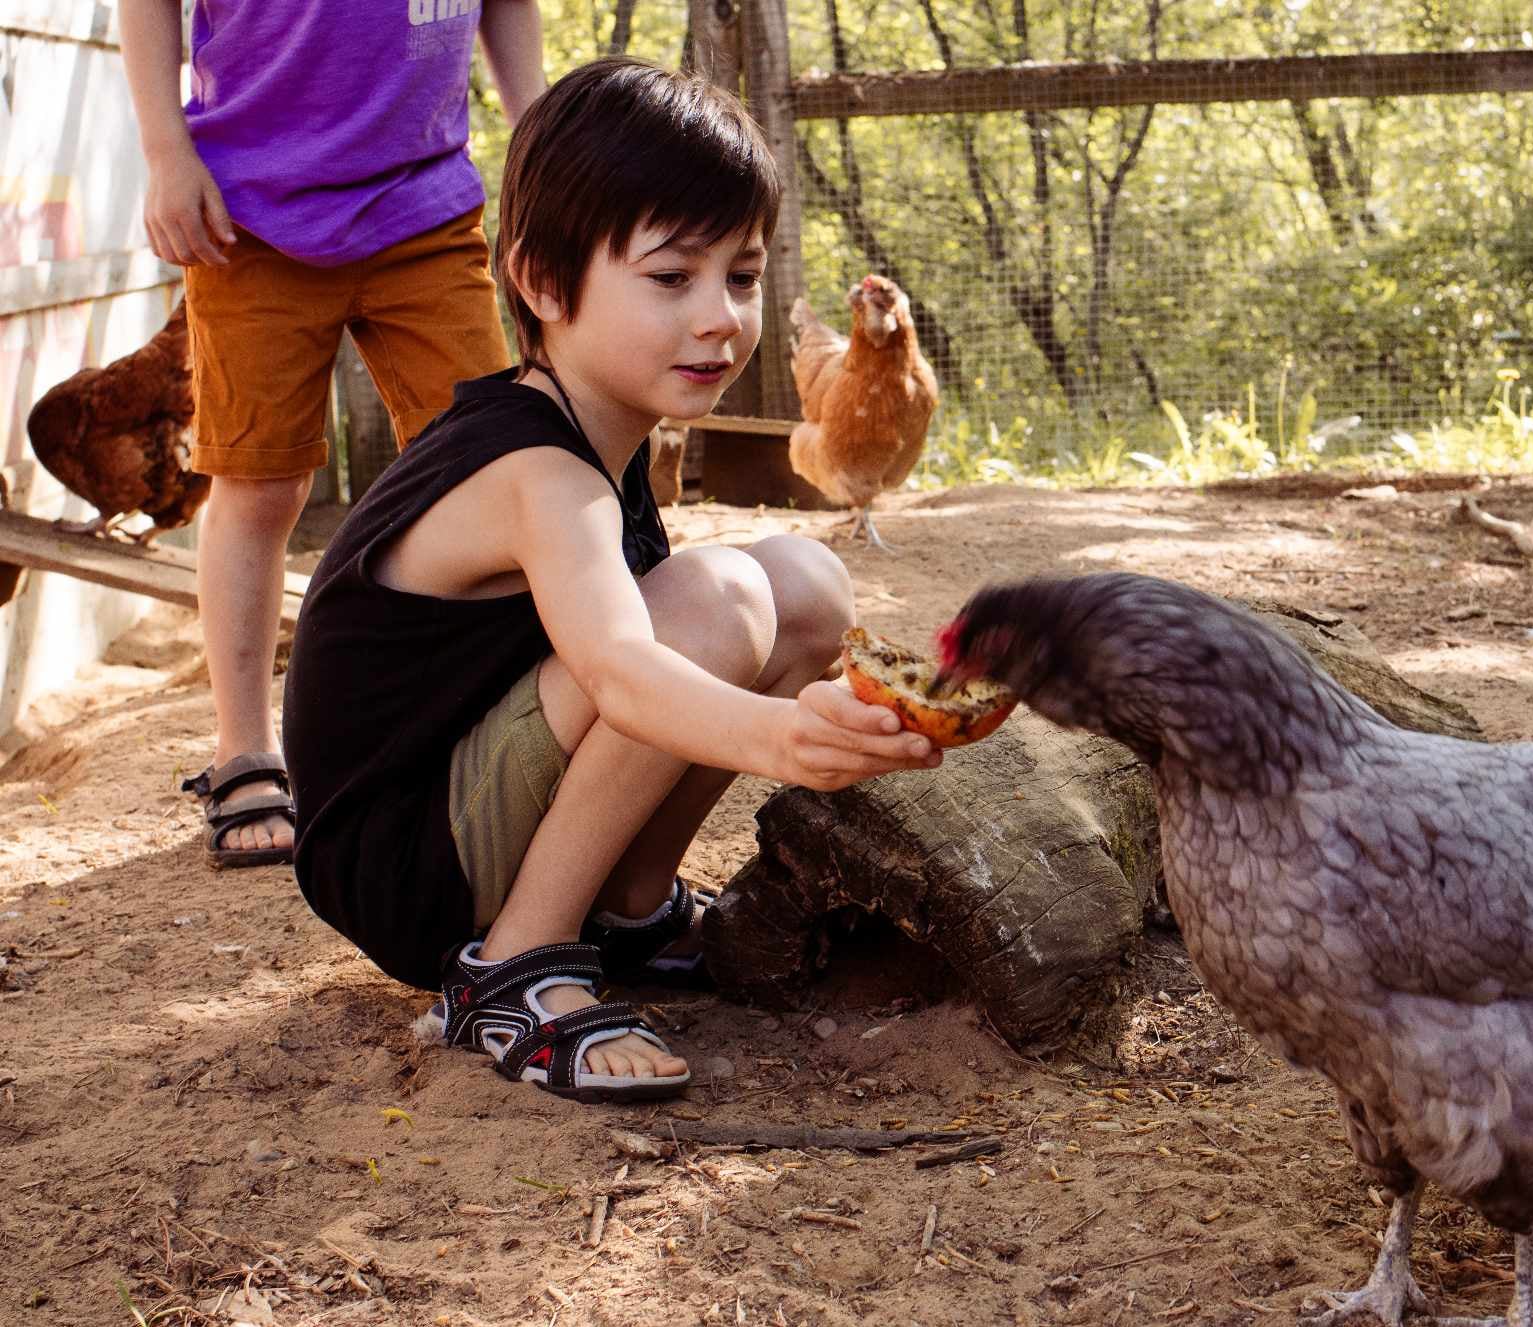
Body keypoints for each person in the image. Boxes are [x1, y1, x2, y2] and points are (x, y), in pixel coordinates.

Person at [282, 58, 943, 1102]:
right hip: (406, 857)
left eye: (740, 273)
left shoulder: (608, 431)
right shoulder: (535, 467)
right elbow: (626, 672)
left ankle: (631, 908)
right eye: (671, 278)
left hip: (466, 803)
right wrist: (785, 740)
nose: (719, 315)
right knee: (718, 600)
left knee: (807, 584)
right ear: (541, 282)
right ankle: (515, 964)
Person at [119, 0, 546, 869]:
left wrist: (546, 158)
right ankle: (243, 749)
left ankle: (482, 734)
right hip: (244, 214)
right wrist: (167, 152)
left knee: (496, 476)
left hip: (427, 203)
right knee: (261, 481)